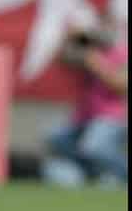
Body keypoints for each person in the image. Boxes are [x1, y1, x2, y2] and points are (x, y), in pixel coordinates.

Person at [42, 11, 128, 188]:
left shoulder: (121, 52)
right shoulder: (89, 51)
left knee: (94, 148)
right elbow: (61, 62)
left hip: (112, 117)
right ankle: (95, 174)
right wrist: (69, 39)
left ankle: (120, 174)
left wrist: (94, 61)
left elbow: (120, 85)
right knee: (56, 140)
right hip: (85, 117)